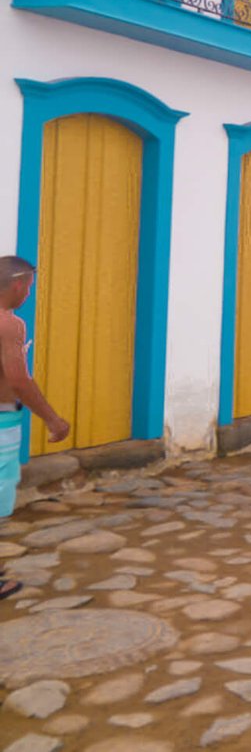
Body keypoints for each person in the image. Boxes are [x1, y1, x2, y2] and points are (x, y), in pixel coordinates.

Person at [1, 256, 70, 601]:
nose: (29, 293)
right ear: (17, 285)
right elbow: (18, 380)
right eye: (28, 286)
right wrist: (52, 419)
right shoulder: (9, 325)